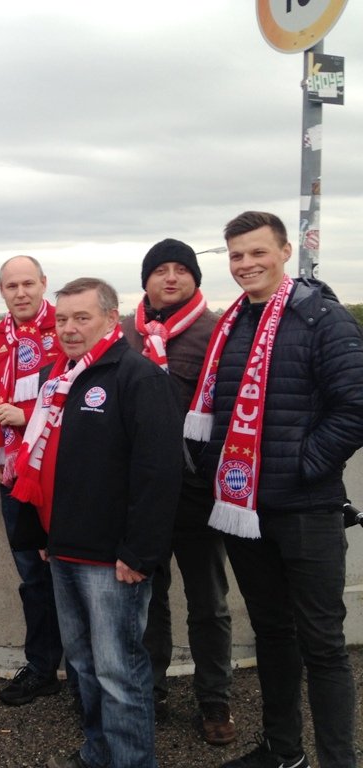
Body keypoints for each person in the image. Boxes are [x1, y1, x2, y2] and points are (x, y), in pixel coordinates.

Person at [188, 212, 363, 768]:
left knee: (323, 645)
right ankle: (283, 751)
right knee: (272, 634)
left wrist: (301, 466)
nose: (246, 264)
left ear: (285, 252)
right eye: (236, 255)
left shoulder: (323, 318)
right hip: (244, 509)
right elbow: (217, 410)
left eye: (257, 252)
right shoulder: (232, 324)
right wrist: (212, 466)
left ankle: (338, 759)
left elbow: (355, 407)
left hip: (306, 508)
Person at [12, 278, 183, 768]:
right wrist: (42, 534)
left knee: (119, 673)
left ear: (111, 319)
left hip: (112, 561)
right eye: (62, 319)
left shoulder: (138, 377)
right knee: (84, 667)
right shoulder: (58, 377)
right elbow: (41, 462)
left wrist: (139, 552)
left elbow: (158, 472)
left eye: (81, 318)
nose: (69, 328)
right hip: (63, 548)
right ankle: (98, 754)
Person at [120, 239, 235, 745]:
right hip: (143, 490)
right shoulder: (125, 333)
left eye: (181, 269)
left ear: (195, 278)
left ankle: (215, 699)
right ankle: (152, 689)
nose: (171, 278)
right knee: (147, 596)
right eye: (160, 270)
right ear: (145, 280)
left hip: (198, 490)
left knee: (209, 601)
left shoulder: (218, 332)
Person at [0, 255, 67, 706]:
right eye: (11, 286)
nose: (20, 293)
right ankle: (41, 668)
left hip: (62, 471)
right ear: (1, 291)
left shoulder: (66, 327)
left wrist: (26, 415)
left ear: (43, 283)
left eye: (28, 283)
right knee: (32, 574)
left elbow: (77, 394)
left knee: (71, 571)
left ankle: (85, 675)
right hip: (14, 474)